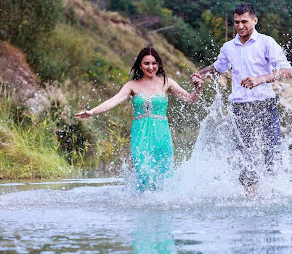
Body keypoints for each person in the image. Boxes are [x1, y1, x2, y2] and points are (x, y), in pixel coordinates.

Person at [191, 2, 292, 194]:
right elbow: (217, 68)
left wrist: (261, 79)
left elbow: (286, 71)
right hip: (240, 107)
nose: (240, 26)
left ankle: (273, 195)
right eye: (236, 22)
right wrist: (199, 74)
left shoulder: (266, 42)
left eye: (244, 21)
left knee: (271, 152)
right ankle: (250, 197)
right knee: (244, 155)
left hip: (264, 104)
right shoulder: (229, 47)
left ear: (254, 21)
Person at [76, 47, 204, 191]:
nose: (151, 67)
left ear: (159, 64)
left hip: (162, 135)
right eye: (146, 63)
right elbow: (113, 101)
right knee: (143, 173)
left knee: (164, 176)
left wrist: (198, 88)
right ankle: (142, 208)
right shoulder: (132, 85)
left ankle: (162, 209)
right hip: (140, 135)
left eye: (154, 63)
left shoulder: (167, 82)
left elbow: (190, 99)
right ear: (140, 65)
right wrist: (92, 112)